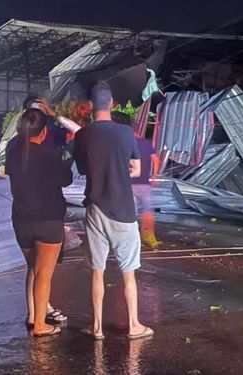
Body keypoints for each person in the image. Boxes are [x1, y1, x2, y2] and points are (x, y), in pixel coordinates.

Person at [73, 82, 154, 340]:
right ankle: (134, 326)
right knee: (128, 273)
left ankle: (96, 328)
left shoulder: (82, 135)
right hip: (123, 210)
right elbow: (137, 170)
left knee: (97, 271)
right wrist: (123, 168)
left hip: (95, 208)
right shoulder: (125, 133)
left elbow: (84, 170)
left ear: (89, 107)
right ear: (112, 103)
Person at [4, 95, 77, 326]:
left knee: (33, 269)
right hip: (48, 220)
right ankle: (40, 325)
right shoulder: (50, 155)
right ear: (43, 131)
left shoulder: (12, 151)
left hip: (21, 220)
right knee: (44, 274)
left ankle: (32, 315)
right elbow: (67, 180)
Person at [111, 112, 162, 249]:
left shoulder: (122, 143)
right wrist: (155, 176)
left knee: (130, 212)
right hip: (145, 183)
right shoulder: (144, 142)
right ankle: (149, 237)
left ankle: (128, 239)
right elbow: (156, 159)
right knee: (147, 210)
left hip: (129, 184)